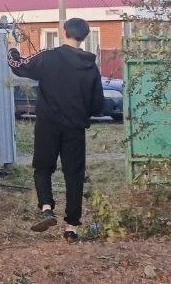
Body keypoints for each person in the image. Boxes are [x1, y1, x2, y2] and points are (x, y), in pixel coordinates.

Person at [8, 17, 106, 242]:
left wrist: (12, 49)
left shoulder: (48, 57)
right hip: (75, 127)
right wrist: (82, 114)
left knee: (42, 168)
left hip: (47, 125)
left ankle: (46, 208)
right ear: (85, 37)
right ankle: (71, 227)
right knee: (74, 175)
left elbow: (19, 67)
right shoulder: (91, 67)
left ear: (64, 33)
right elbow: (98, 105)